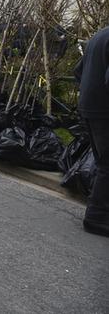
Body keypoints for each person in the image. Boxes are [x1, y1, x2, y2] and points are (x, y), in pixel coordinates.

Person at [75, 25, 109, 238]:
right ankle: (96, 218)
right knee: (108, 164)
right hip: (104, 110)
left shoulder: (101, 34)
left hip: (89, 107)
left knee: (103, 161)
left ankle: (98, 212)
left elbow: (78, 71)